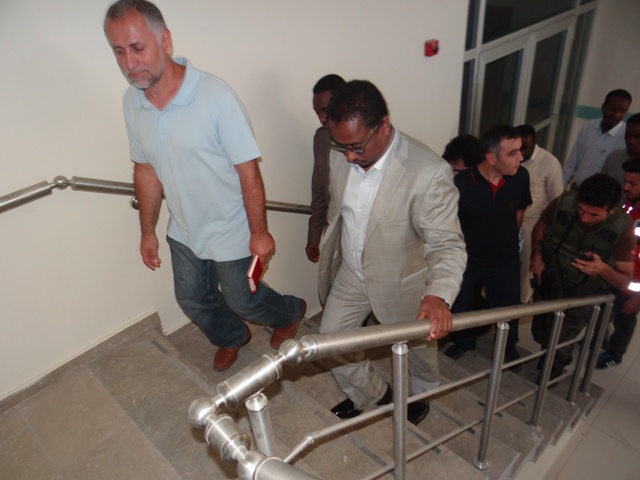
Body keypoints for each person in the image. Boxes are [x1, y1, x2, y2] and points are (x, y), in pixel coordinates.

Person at [103, 0, 306, 372]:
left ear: (165, 41)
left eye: (137, 48)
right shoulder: (132, 103)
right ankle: (232, 335)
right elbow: (146, 170)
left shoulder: (216, 96)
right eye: (119, 51)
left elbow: (248, 170)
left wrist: (260, 232)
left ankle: (290, 312)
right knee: (191, 298)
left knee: (244, 300)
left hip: (230, 225)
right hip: (183, 226)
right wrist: (147, 230)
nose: (130, 63)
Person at [317, 80, 466, 425]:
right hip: (351, 274)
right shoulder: (339, 152)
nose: (349, 157)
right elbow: (338, 211)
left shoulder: (429, 172)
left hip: (403, 284)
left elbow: (447, 244)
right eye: (342, 147)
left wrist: (438, 296)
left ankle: (421, 396)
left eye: (357, 147)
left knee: (419, 354)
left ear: (383, 125)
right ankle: (373, 393)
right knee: (329, 341)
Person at [530, 174, 634, 379]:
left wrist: (602, 269)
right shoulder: (565, 202)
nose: (585, 218)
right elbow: (541, 226)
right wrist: (537, 255)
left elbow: (625, 281)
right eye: (581, 211)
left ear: (611, 210)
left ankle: (552, 372)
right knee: (542, 331)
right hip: (551, 279)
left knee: (560, 341)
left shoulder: (621, 227)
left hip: (584, 293)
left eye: (594, 215)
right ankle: (548, 358)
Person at [444, 125, 531, 367]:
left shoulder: (520, 177)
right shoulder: (461, 184)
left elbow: (520, 210)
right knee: (462, 307)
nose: (521, 157)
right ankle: (464, 343)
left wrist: (505, 237)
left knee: (508, 310)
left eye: (520, 150)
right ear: (491, 158)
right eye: (513, 153)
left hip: (505, 261)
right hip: (468, 261)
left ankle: (507, 346)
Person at [597, 159, 640, 369]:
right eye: (625, 182)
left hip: (631, 290)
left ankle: (615, 353)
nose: (626, 187)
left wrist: (638, 298)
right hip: (615, 277)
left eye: (632, 183)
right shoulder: (629, 206)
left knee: (624, 322)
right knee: (603, 313)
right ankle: (598, 340)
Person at [516, 125, 563, 303]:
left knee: (524, 270)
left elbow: (556, 200)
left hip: (532, 225)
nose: (521, 153)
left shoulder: (549, 163)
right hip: (509, 221)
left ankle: (520, 303)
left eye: (526, 147)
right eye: (518, 148)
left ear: (535, 142)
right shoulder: (510, 158)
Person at [306, 74, 346, 263]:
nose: (322, 118)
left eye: (326, 111)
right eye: (317, 112)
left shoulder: (371, 141)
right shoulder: (321, 138)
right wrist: (314, 237)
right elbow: (319, 192)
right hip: (334, 239)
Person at [562, 89, 632, 189]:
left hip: (601, 196)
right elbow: (572, 161)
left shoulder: (626, 136)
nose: (616, 115)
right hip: (577, 189)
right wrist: (561, 187)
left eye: (622, 111)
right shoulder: (589, 126)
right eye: (612, 109)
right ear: (603, 107)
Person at [601, 113, 640, 190]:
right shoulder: (614, 158)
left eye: (637, 136)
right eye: (627, 135)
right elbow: (600, 188)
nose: (631, 141)